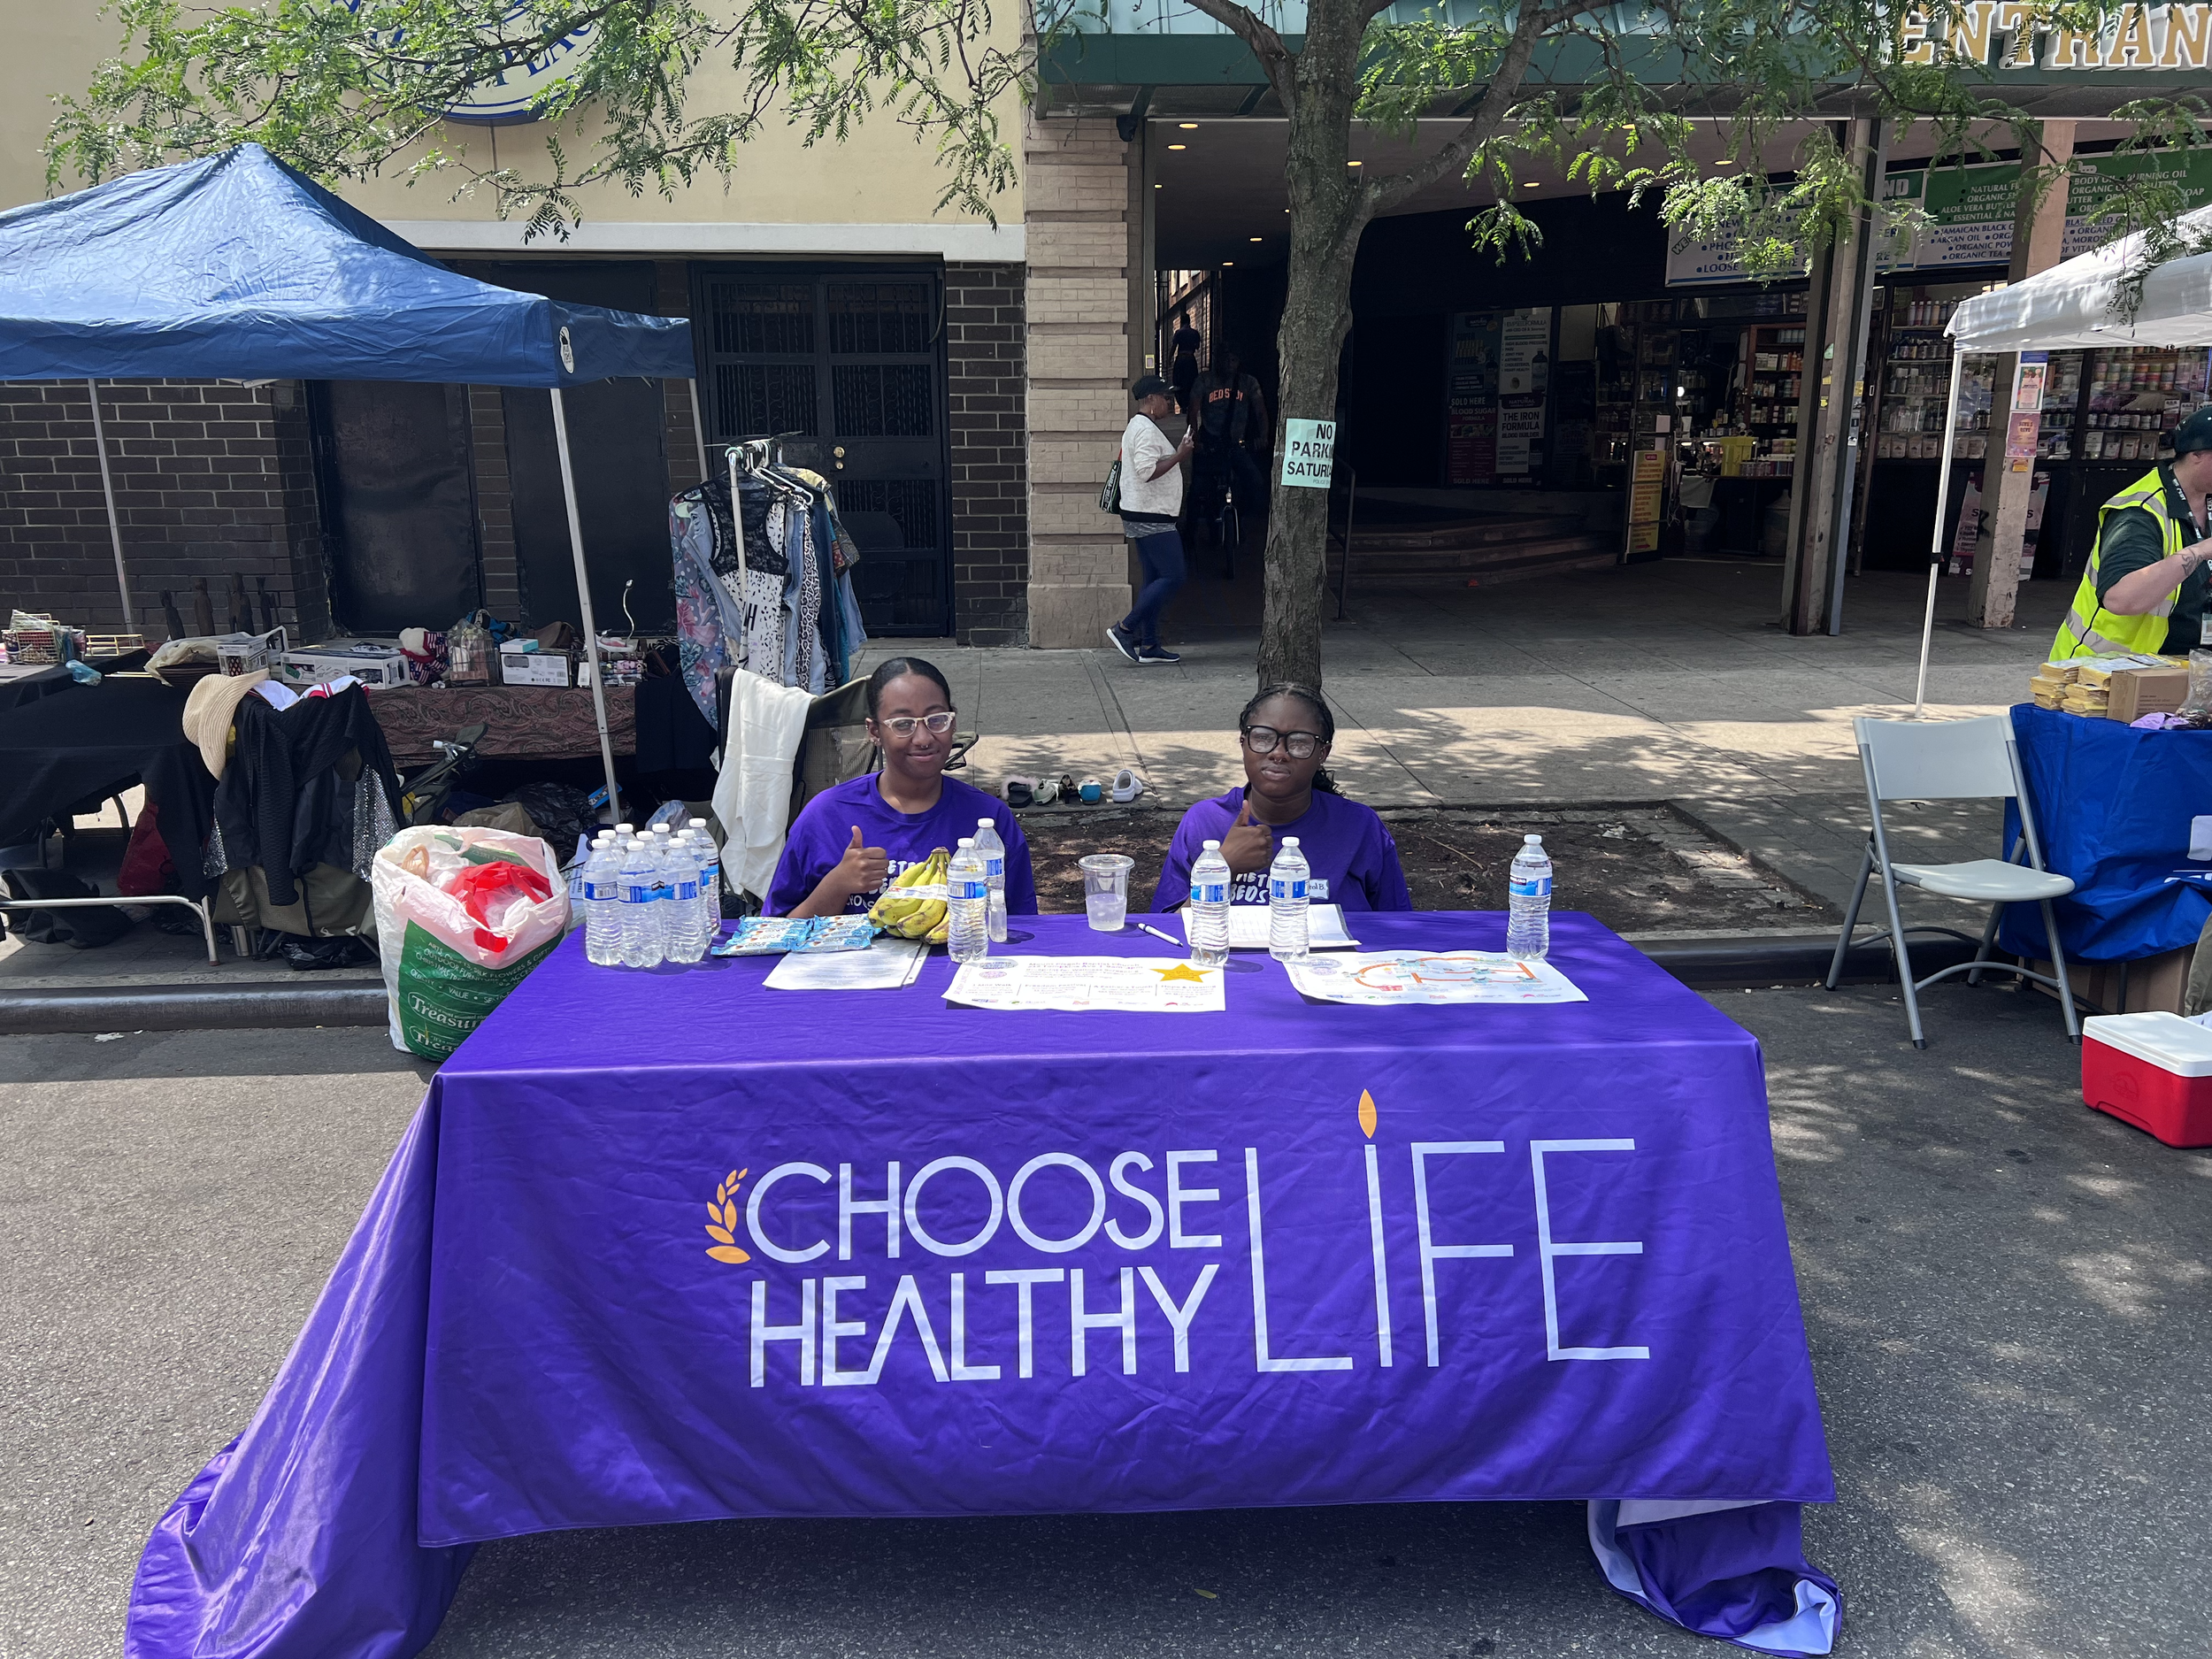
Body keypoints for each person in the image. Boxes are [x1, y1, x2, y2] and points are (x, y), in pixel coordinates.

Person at [764, 656, 1037, 918]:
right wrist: (836, 885)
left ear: (953, 722)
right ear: (874, 732)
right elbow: (774, 931)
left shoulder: (988, 819)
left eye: (937, 720)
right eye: (903, 724)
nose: (923, 738)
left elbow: (1022, 926)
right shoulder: (825, 816)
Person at [1150, 684, 1412, 913]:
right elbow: (1164, 933)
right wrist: (1222, 869)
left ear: (1323, 753)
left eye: (1299, 742)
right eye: (1263, 738)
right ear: (1243, 743)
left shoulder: (1359, 826)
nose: (1279, 753)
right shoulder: (1204, 822)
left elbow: (1397, 927)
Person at [2054, 405, 2212, 658]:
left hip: (2181, 668)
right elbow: (2122, 599)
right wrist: (2200, 551)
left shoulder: (2206, 500)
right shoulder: (2140, 511)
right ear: (2197, 455)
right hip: (2106, 674)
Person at [1106, 375, 1194, 667]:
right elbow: (1146, 471)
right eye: (1166, 398)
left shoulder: (1140, 426)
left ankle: (1151, 644)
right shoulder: (1143, 429)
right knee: (1174, 575)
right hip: (1151, 516)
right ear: (1151, 400)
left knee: (1155, 578)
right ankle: (1126, 628)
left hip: (1143, 512)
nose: (1170, 403)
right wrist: (1180, 455)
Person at [1170, 319, 1203, 417]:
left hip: (1181, 359)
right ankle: (1189, 405)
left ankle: (1183, 405)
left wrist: (1168, 359)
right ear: (1189, 322)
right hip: (1190, 359)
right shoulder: (1194, 333)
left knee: (1178, 382)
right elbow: (1197, 347)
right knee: (1192, 382)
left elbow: (1173, 347)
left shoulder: (1178, 333)